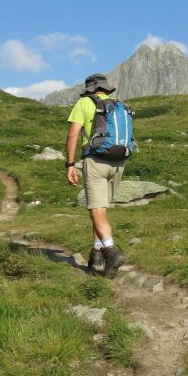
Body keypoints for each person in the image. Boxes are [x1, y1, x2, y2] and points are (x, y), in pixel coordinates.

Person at [65, 73, 125, 278]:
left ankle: (111, 251)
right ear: (106, 88)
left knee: (96, 211)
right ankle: (96, 255)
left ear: (90, 89)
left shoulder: (84, 103)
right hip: (118, 162)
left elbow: (73, 134)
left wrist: (70, 164)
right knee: (101, 212)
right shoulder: (118, 105)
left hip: (95, 161)